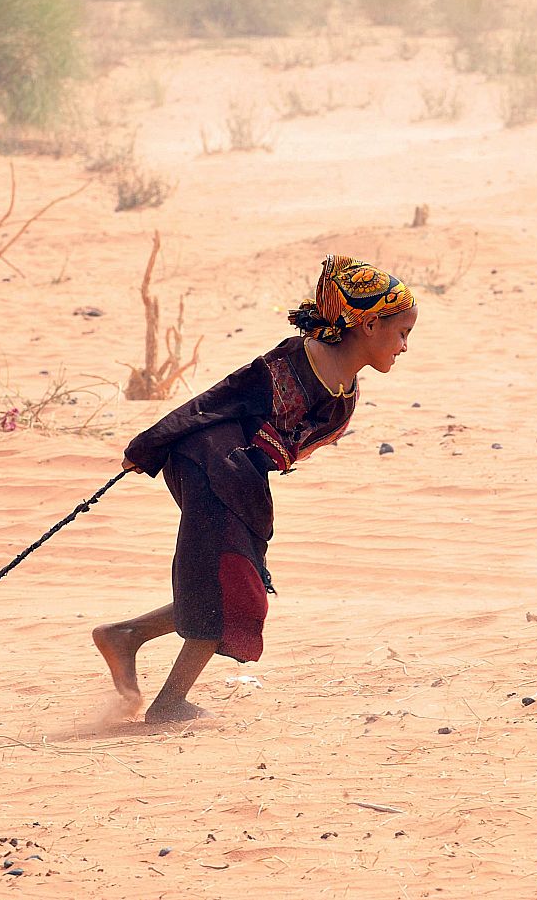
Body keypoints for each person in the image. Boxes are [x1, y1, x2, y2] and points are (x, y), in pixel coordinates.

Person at [93, 255, 419, 723]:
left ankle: (127, 636)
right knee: (234, 586)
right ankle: (167, 705)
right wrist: (146, 446)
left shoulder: (345, 388)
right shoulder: (295, 359)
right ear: (368, 325)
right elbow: (215, 400)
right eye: (402, 333)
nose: (405, 346)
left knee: (222, 581)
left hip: (238, 477)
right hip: (210, 463)